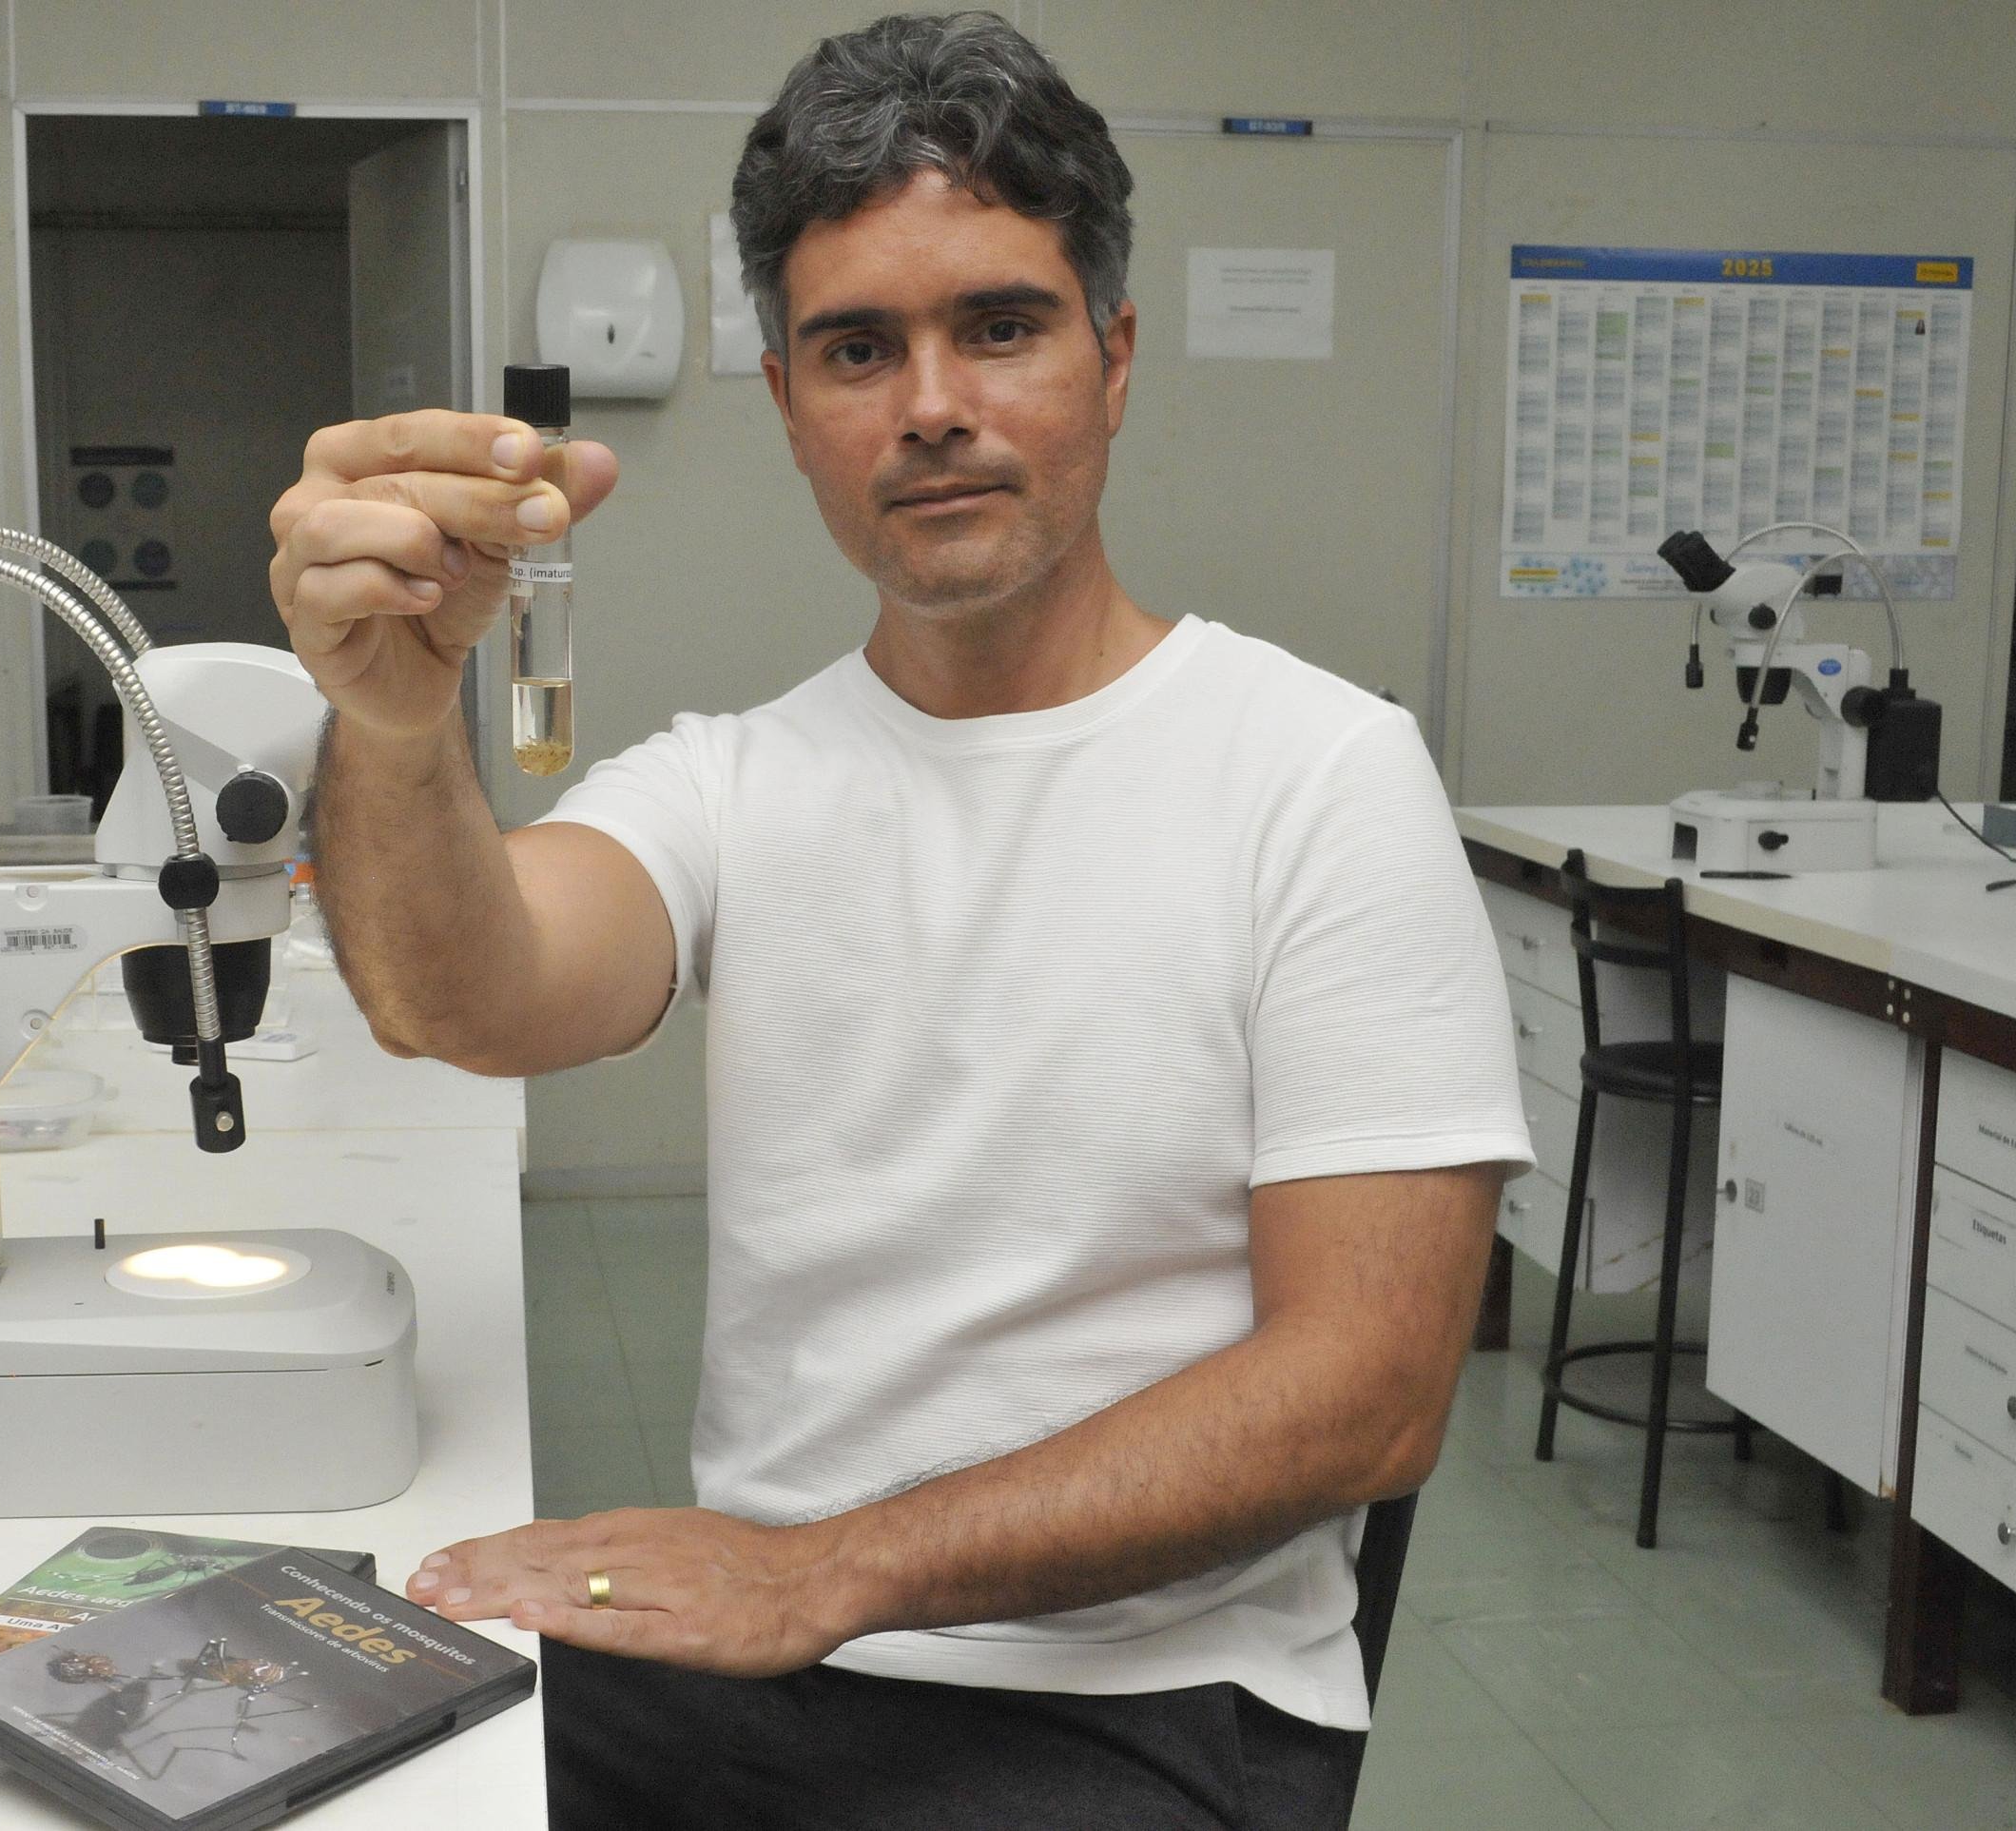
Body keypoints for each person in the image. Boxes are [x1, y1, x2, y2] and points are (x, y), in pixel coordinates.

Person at [267, 13, 1532, 1827]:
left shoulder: (1320, 777)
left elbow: (1367, 1397)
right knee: (279, 1759)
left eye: (998, 326)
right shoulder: (735, 780)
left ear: (1112, 359)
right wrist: (391, 723)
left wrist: (820, 1573)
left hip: (1136, 1698)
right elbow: (461, 989)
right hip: (765, 1664)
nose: (929, 402)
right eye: (859, 347)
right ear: (789, 405)